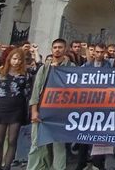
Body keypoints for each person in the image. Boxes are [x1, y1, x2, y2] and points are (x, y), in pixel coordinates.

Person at [27, 38, 74, 170]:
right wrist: (34, 111)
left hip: (60, 112)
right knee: (37, 144)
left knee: (58, 145)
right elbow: (36, 91)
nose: (57, 50)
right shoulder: (44, 68)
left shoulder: (72, 68)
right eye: (55, 47)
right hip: (42, 110)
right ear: (52, 50)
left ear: (65, 49)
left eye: (60, 47)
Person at [0, 48, 33, 170]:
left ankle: (7, 167)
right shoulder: (0, 74)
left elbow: (28, 94)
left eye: (19, 59)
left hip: (17, 110)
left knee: (12, 140)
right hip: (1, 109)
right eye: (14, 58)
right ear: (9, 59)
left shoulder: (25, 75)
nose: (16, 62)